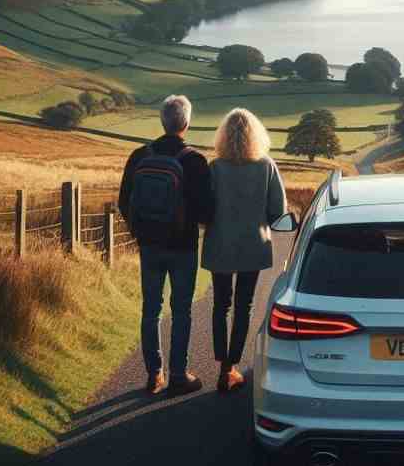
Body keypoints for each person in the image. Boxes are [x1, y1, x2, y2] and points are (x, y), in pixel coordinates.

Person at [119, 94, 214, 396]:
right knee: (182, 310)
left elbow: (124, 201)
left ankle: (153, 375)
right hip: (183, 246)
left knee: (151, 309)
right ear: (186, 123)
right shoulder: (195, 161)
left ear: (162, 121)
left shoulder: (139, 156)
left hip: (149, 244)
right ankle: (178, 374)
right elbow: (206, 212)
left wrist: (141, 231)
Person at [203, 108, 286, 392]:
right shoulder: (266, 165)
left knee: (220, 304)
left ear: (223, 136)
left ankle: (221, 365)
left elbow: (205, 211)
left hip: (220, 244)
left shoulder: (215, 168)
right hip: (254, 244)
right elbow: (278, 212)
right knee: (244, 306)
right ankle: (231, 367)